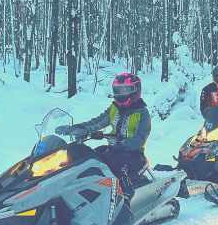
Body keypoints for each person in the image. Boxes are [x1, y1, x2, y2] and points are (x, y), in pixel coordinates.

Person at [55, 73, 151, 201]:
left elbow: (140, 138)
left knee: (115, 165)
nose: (121, 94)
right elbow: (97, 122)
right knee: (87, 158)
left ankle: (125, 196)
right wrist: (75, 128)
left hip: (133, 153)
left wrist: (119, 148)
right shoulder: (114, 108)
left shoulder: (142, 112)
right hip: (113, 148)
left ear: (135, 90)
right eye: (118, 90)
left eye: (125, 90)